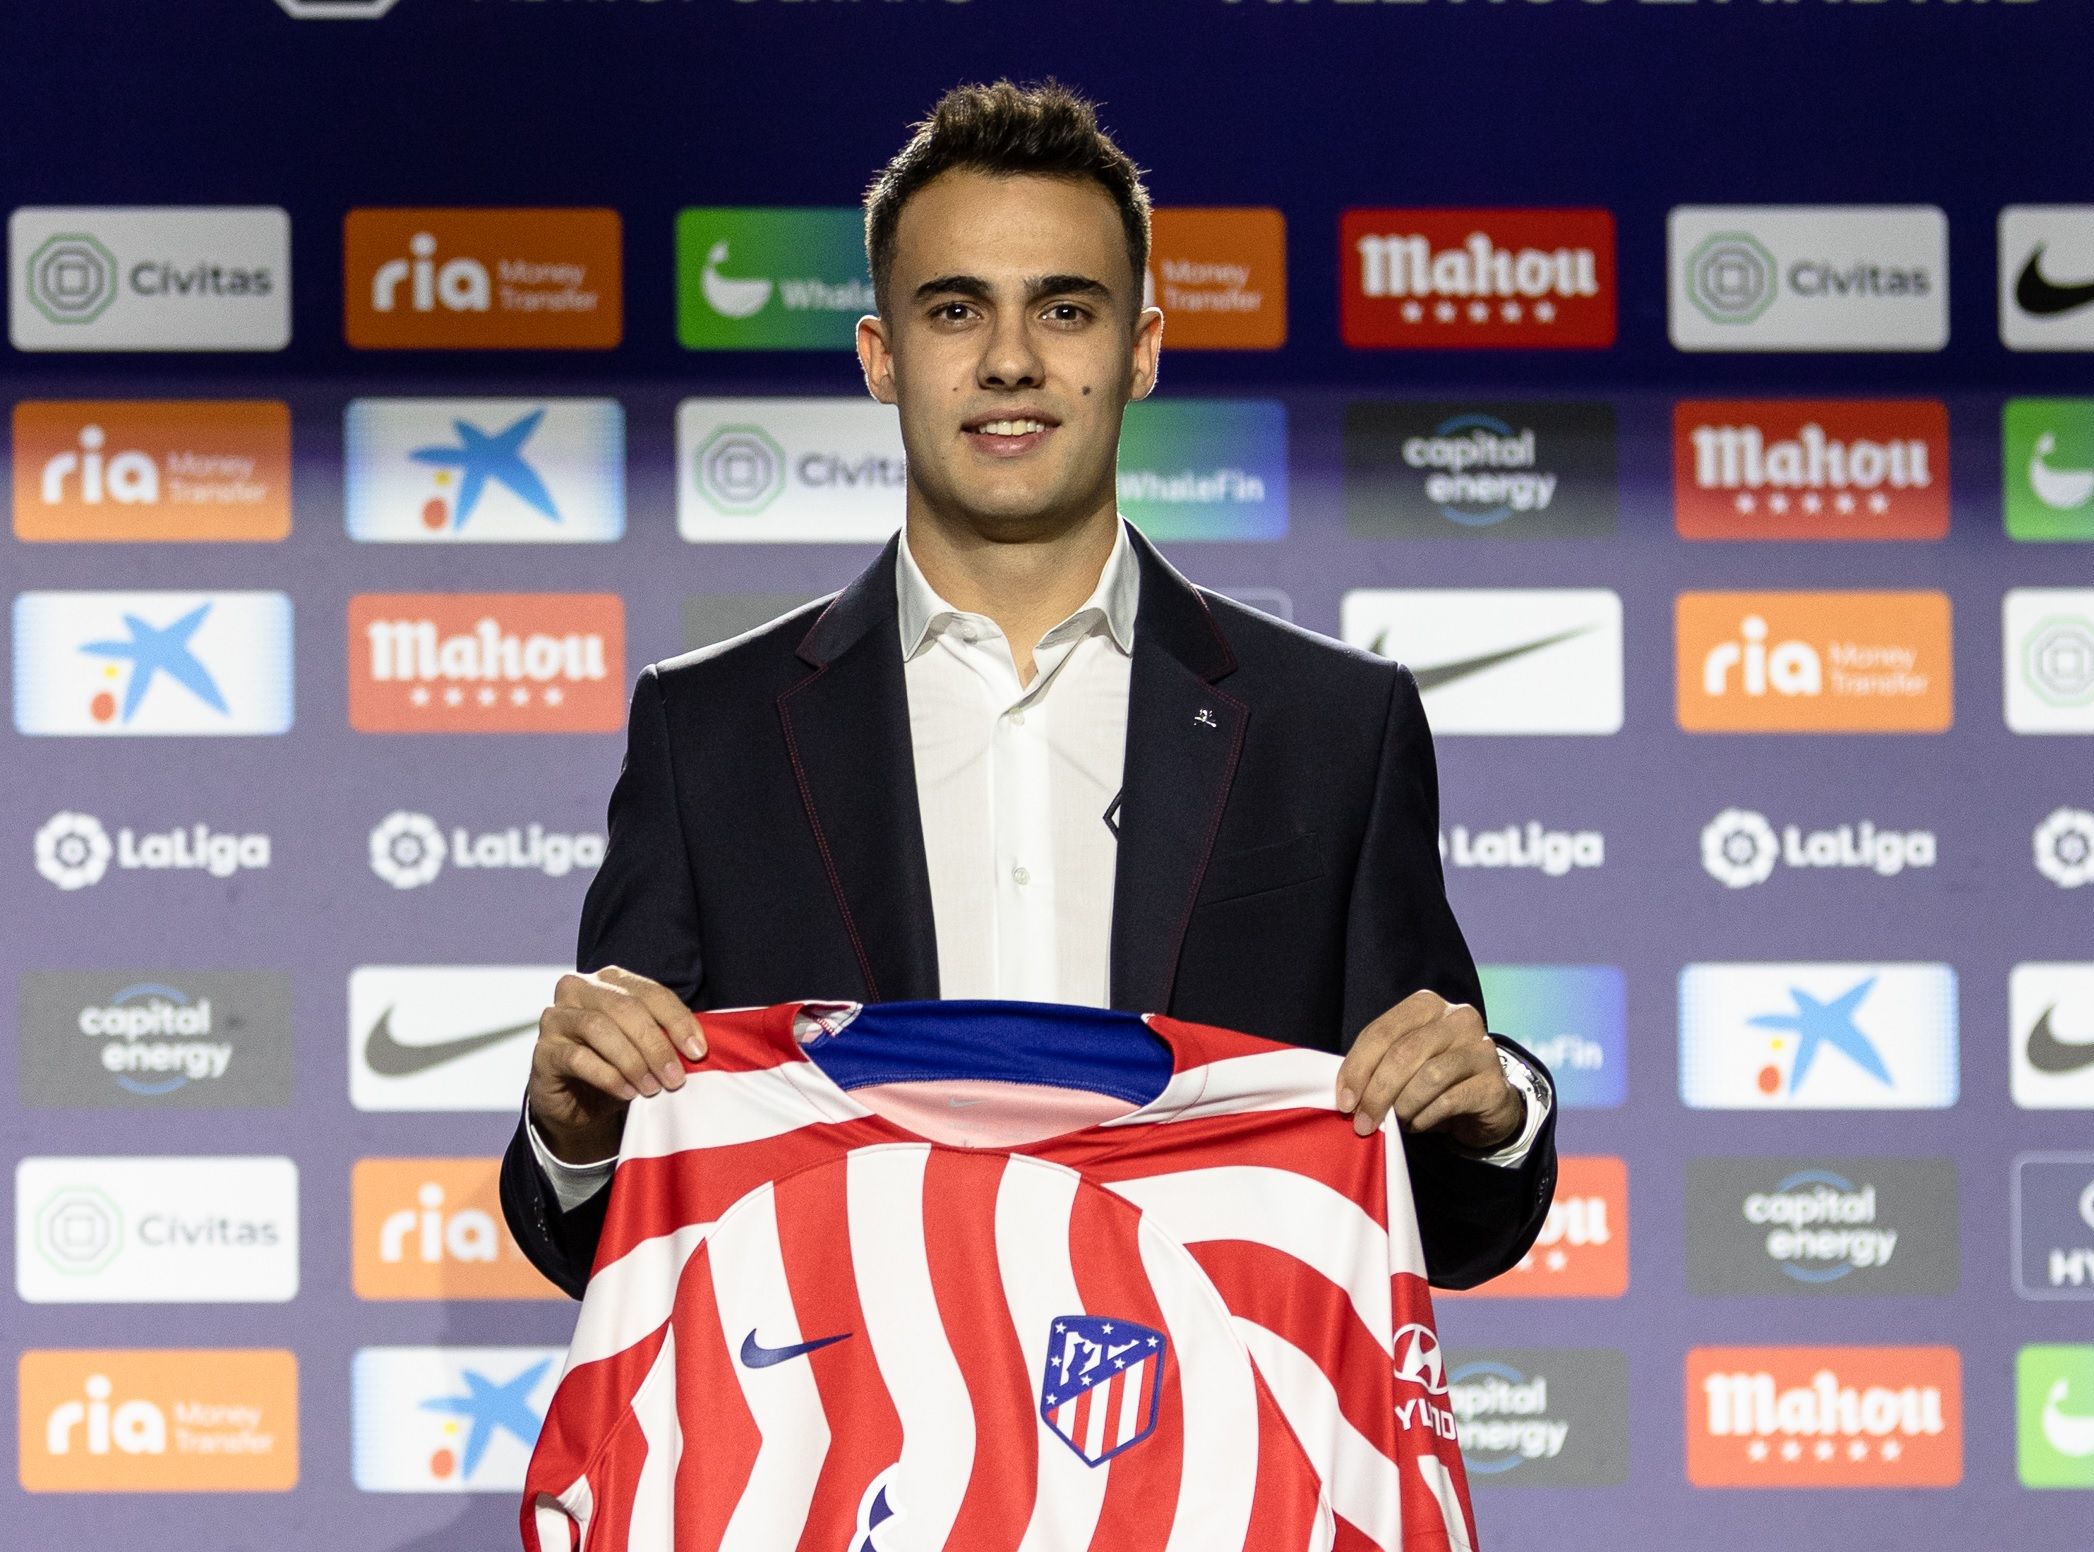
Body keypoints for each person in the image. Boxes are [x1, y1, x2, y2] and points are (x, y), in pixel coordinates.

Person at [500, 78, 1555, 1300]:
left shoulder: (1333, 728)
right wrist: (575, 1138)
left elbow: (1451, 1215)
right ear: (882, 358)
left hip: (1209, 1472)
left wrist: (1494, 1109)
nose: (1009, 360)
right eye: (957, 310)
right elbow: (621, 1243)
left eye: (1064, 308)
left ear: (1141, 350)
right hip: (845, 1460)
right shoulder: (709, 733)